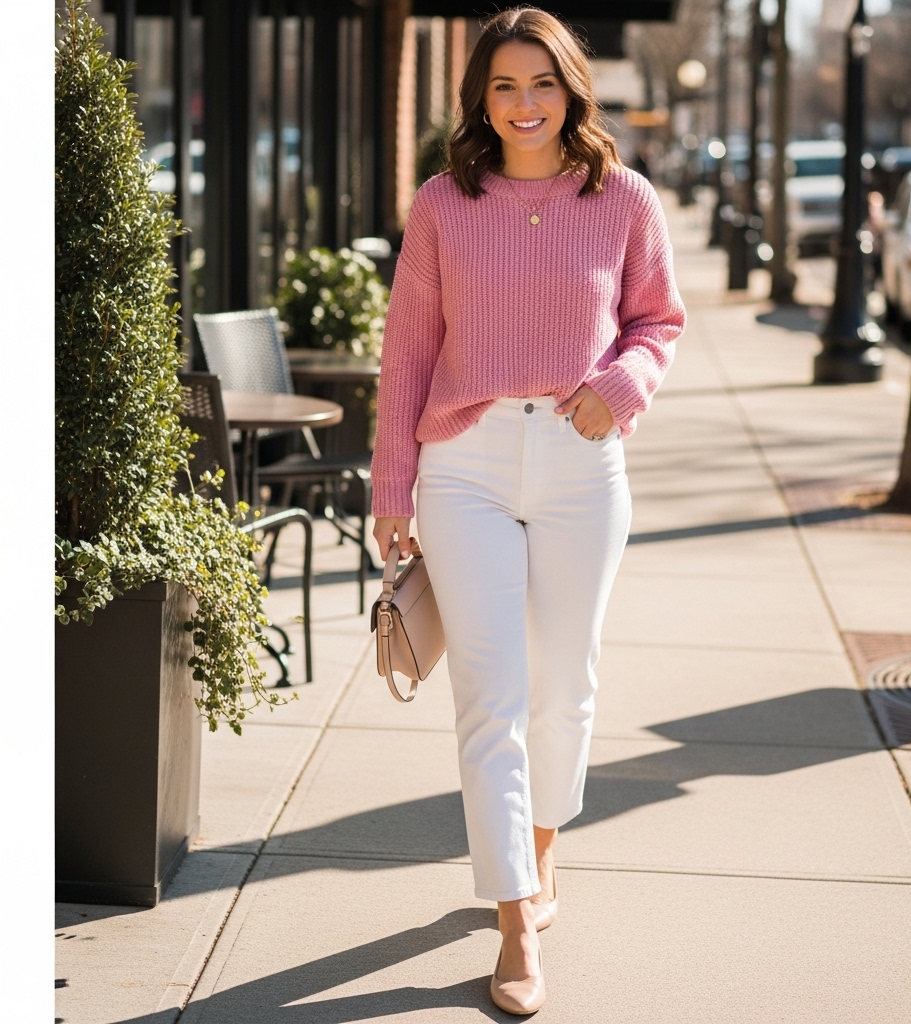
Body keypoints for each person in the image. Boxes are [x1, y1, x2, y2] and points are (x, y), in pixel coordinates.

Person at [370, 6, 685, 1014]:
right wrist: (391, 489)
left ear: (570, 89)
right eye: (503, 86)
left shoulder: (622, 197)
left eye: (540, 83)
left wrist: (622, 386)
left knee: (563, 686)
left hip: (580, 461)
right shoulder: (442, 204)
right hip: (464, 464)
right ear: (480, 100)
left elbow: (657, 321)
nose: (523, 104)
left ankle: (542, 851)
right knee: (491, 696)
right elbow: (407, 353)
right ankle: (513, 919)